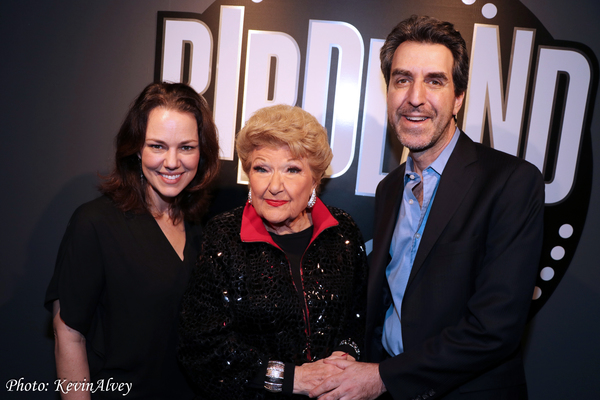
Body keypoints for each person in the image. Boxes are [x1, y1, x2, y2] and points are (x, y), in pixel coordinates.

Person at [309, 15, 545, 400]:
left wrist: (383, 376)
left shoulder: (511, 182)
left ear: (459, 97)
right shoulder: (390, 189)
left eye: (434, 81)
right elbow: (386, 305)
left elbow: (493, 329)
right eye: (402, 79)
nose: (415, 97)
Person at [178, 104, 368, 399]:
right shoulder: (224, 237)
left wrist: (345, 354)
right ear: (249, 175)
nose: (274, 186)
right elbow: (201, 347)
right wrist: (292, 378)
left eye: (292, 169)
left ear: (315, 179)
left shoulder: (342, 231)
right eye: (262, 168)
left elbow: (358, 315)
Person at [45, 82, 220, 399]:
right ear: (136, 148)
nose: (171, 162)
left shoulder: (205, 229)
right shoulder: (95, 223)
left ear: (202, 152)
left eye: (186, 147)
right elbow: (68, 334)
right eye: (157, 146)